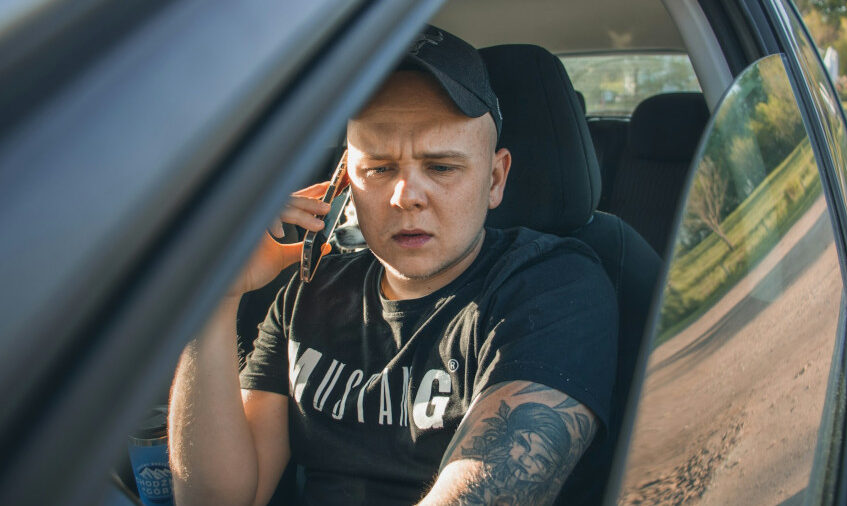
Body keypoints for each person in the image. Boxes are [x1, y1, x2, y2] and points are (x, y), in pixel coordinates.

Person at [168, 25, 617, 506]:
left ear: (495, 178)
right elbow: (218, 501)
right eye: (379, 169)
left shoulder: (551, 289)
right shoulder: (308, 291)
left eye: (441, 167)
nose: (406, 197)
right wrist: (215, 297)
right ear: (344, 181)